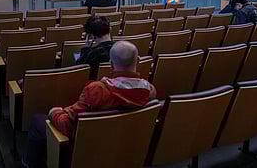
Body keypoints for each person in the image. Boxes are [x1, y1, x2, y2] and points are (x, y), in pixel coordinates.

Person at [21, 41, 156, 168]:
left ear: (111, 64)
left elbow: (67, 126)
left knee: (38, 120)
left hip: (86, 147)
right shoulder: (148, 91)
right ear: (138, 60)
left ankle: (30, 163)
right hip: (122, 146)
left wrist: (54, 112)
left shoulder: (97, 90)